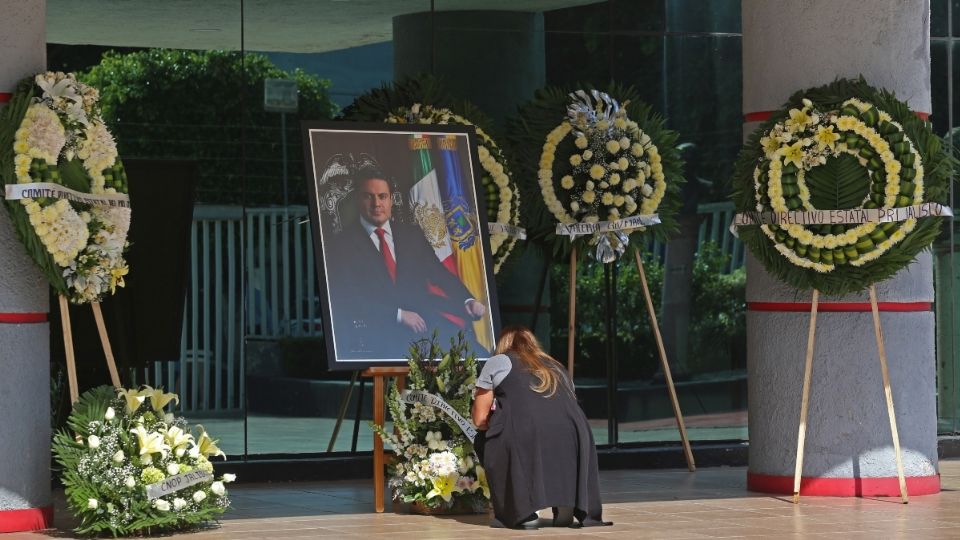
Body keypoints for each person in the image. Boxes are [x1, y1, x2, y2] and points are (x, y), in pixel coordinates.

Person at [324, 161, 487, 359]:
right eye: (369, 196)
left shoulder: (412, 235)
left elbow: (440, 274)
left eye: (382, 196)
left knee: (480, 357)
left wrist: (466, 299)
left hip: (426, 324)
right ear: (358, 199)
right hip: (379, 331)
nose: (377, 204)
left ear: (391, 199)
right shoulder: (341, 245)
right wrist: (399, 315)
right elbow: (348, 299)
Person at [472, 326, 611, 529]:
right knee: (552, 437)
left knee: (488, 437)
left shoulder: (498, 361)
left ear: (502, 345)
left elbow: (479, 418)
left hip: (527, 429)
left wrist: (497, 422)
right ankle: (565, 503)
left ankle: (524, 508)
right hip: (575, 432)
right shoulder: (556, 365)